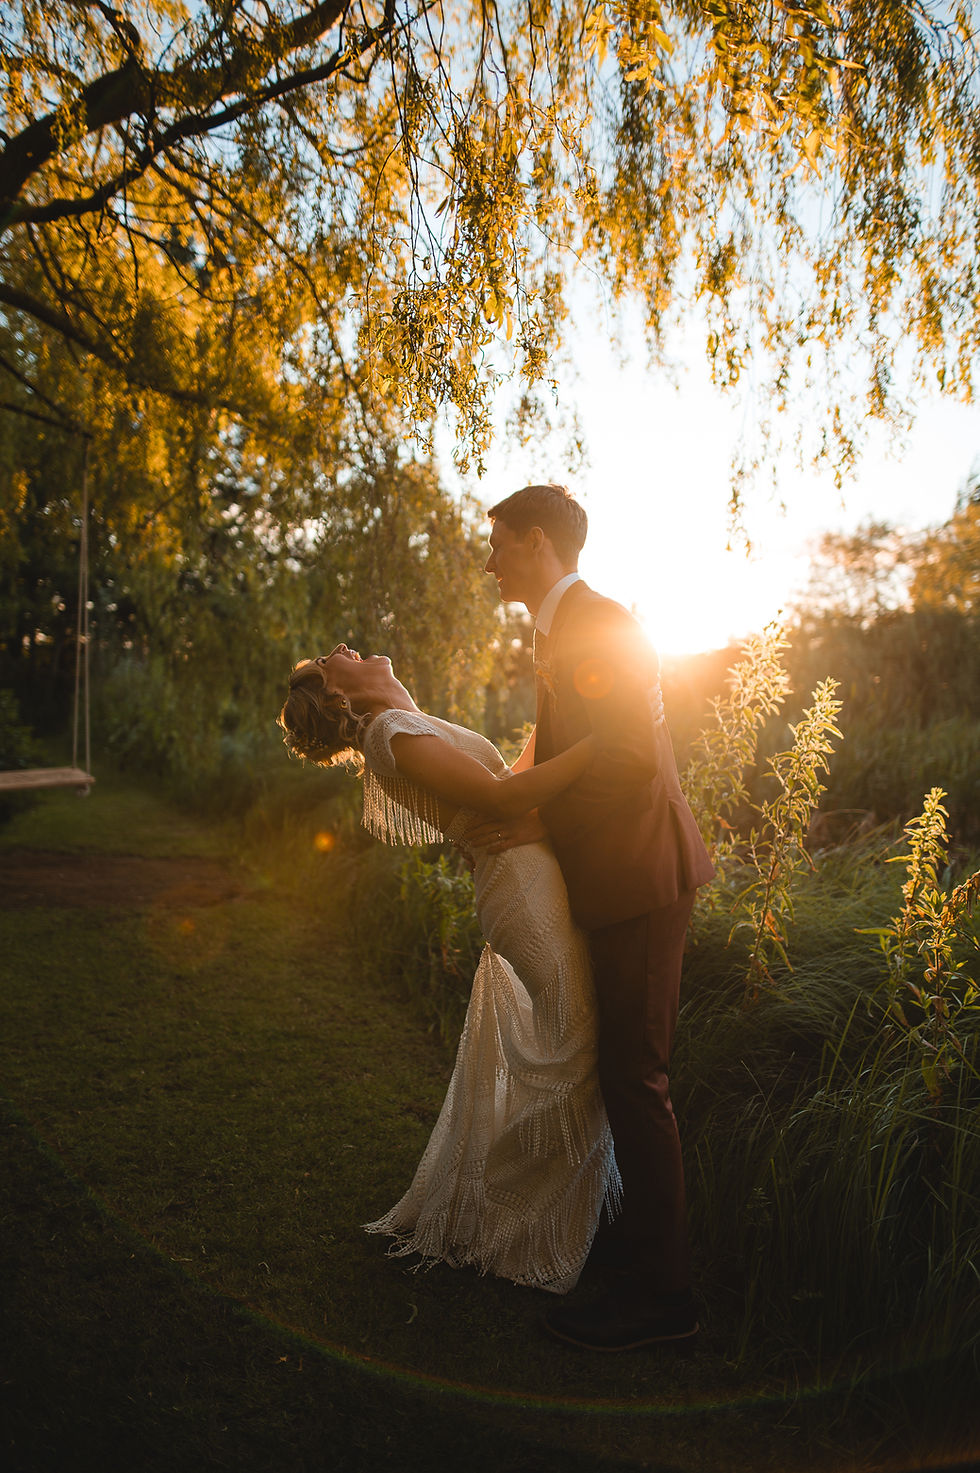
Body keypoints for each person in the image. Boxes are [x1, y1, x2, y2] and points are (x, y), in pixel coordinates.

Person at [277, 645, 622, 1295]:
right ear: (339, 695)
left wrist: (554, 702)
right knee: (579, 1052)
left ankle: (537, 1217)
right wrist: (608, 740)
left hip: (526, 876)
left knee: (576, 1053)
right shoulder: (388, 734)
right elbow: (502, 796)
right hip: (523, 894)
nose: (344, 647)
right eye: (331, 657)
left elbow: (506, 776)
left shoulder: (402, 720)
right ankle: (518, 1230)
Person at [469, 483, 715, 1352]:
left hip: (644, 879)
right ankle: (627, 1250)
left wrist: (537, 820)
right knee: (613, 1071)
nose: (489, 556)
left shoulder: (597, 623)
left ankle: (665, 1300)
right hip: (614, 880)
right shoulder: (560, 631)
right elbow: (573, 754)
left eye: (498, 540)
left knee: (637, 1079)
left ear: (538, 542)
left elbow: (629, 763)